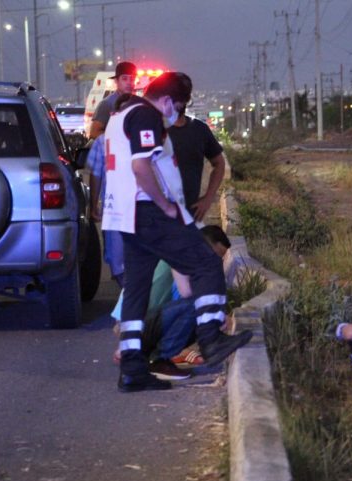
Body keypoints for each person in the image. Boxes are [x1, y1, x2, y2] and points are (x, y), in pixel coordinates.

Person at [102, 72, 252, 392]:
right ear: (168, 100)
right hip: (149, 212)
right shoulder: (146, 115)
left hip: (124, 216)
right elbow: (141, 167)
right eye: (178, 105)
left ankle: (132, 368)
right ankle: (211, 338)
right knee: (206, 264)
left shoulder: (119, 115)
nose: (177, 113)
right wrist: (167, 207)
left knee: (137, 290)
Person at [110, 225, 233, 380]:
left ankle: (146, 355)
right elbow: (188, 294)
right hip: (135, 328)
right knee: (197, 306)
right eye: (215, 256)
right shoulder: (182, 256)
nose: (216, 263)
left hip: (132, 327)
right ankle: (160, 360)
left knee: (202, 313)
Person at [168, 72, 225, 222]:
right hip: (158, 219)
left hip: (190, 216)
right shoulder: (153, 130)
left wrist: (208, 199)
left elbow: (219, 163)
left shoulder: (200, 130)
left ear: (188, 98)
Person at [87, 133, 125, 287]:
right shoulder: (148, 135)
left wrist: (94, 203)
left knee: (118, 260)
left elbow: (95, 174)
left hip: (115, 210)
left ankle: (129, 299)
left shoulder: (104, 140)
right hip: (140, 208)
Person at [88, 61, 137, 140]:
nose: (129, 83)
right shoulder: (107, 104)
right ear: (116, 81)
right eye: (124, 79)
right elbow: (94, 132)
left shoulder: (137, 103)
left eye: (132, 79)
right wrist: (118, 138)